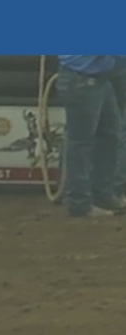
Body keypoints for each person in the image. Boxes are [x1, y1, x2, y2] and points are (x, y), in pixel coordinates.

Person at [56, 56, 126, 217]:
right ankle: (79, 203)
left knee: (109, 135)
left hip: (93, 76)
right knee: (82, 142)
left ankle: (102, 195)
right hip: (83, 78)